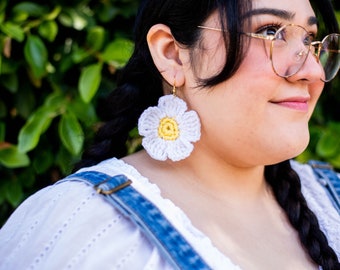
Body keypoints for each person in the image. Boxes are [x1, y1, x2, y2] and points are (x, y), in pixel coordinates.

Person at [0, 0, 339, 269]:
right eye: (270, 31)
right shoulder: (82, 230)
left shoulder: (331, 202)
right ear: (173, 54)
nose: (313, 70)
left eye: (309, 40)